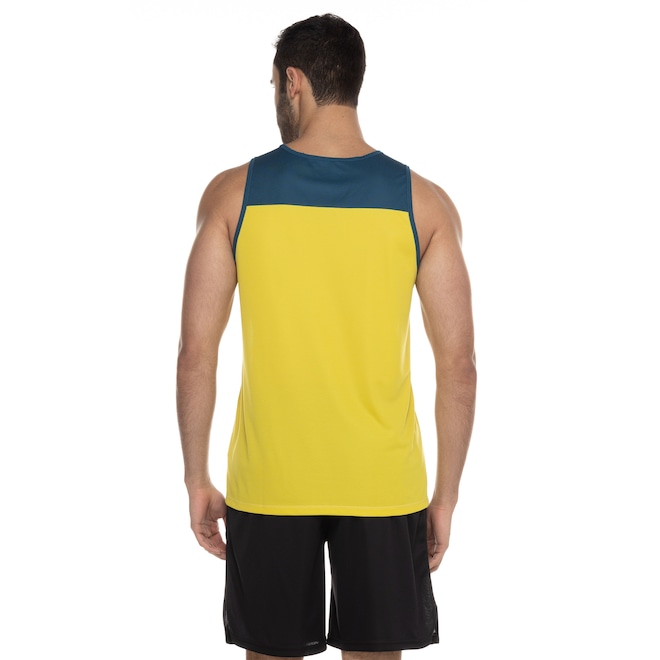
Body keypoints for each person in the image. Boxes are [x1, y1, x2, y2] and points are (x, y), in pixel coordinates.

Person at [177, 13, 476, 660]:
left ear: (294, 83)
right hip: (383, 484)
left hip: (269, 480)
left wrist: (196, 476)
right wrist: (445, 497)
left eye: (273, 86)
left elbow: (196, 354)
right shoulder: (424, 203)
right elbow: (459, 366)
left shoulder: (233, 197)